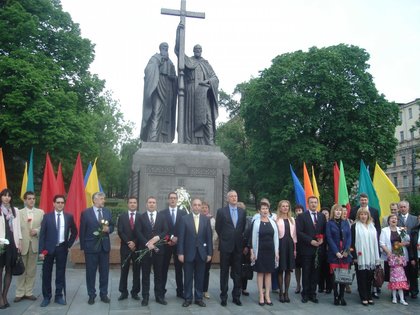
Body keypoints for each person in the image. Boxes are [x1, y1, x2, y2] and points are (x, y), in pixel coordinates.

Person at [176, 23, 219, 145]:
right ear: (193, 51)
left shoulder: (206, 64)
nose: (198, 51)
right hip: (191, 92)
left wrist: (208, 81)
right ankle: (188, 141)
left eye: (200, 50)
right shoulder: (189, 61)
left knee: (207, 117)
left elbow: (215, 78)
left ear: (202, 51)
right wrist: (179, 34)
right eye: (196, 50)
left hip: (203, 93)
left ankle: (209, 142)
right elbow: (178, 51)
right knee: (190, 117)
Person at [38, 195, 77, 307]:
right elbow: (42, 235)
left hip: (62, 249)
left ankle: (58, 296)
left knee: (60, 273)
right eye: (58, 202)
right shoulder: (47, 217)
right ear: (54, 204)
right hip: (48, 250)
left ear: (64, 204)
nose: (60, 204)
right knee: (46, 274)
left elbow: (74, 232)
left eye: (62, 202)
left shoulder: (69, 217)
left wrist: (68, 245)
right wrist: (41, 251)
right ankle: (46, 297)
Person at [79, 192, 114, 305]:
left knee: (104, 272)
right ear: (95, 200)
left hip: (104, 247)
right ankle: (91, 295)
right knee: (91, 273)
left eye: (104, 199)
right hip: (90, 248)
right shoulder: (86, 213)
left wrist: (108, 229)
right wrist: (83, 247)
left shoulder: (107, 212)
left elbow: (112, 226)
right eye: (102, 199)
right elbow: (82, 231)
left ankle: (103, 294)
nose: (104, 201)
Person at [178, 198, 213, 307]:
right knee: (188, 277)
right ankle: (188, 298)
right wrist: (180, 253)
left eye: (199, 205)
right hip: (188, 253)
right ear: (191, 206)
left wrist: (209, 253)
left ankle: (198, 298)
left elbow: (209, 238)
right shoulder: (184, 219)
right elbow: (181, 237)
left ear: (201, 206)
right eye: (195, 205)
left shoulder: (206, 220)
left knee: (200, 277)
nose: (197, 207)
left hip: (202, 254)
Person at [140, 42, 177, 143]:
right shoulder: (155, 58)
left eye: (167, 47)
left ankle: (164, 140)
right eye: (164, 47)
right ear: (160, 48)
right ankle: (152, 139)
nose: (165, 49)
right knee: (156, 112)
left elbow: (174, 76)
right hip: (157, 87)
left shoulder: (170, 62)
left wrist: (173, 78)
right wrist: (160, 61)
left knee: (166, 116)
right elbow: (148, 70)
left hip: (168, 90)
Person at [215, 190, 246, 306]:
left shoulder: (242, 212)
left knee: (237, 272)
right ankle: (223, 296)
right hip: (225, 246)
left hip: (238, 247)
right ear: (227, 199)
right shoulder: (221, 212)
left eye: (235, 196)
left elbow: (242, 228)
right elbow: (218, 228)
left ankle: (236, 296)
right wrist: (226, 238)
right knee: (224, 272)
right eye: (231, 196)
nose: (234, 198)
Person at [138, 196, 168, 306]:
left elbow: (165, 230)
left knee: (159, 274)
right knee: (145, 274)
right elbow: (138, 232)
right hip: (145, 250)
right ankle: (145, 297)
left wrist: (158, 238)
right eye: (149, 202)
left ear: (156, 204)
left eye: (153, 202)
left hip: (159, 250)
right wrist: (147, 243)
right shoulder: (141, 217)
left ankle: (159, 296)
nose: (151, 204)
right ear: (146, 204)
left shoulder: (162, 217)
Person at [15, 191, 44, 302]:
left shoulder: (41, 212)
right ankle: (19, 292)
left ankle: (29, 292)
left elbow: (44, 226)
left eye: (33, 198)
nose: (32, 200)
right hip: (22, 245)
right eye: (29, 198)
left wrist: (36, 231)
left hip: (34, 244)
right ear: (25, 200)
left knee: (32, 270)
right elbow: (16, 228)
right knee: (21, 269)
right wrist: (18, 243)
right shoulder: (18, 212)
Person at [296, 196, 326, 304]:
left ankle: (313, 294)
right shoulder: (302, 216)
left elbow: (324, 230)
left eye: (315, 202)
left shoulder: (322, 216)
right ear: (308, 204)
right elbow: (299, 232)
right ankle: (305, 294)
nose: (313, 204)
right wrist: (310, 241)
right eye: (311, 202)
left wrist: (322, 238)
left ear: (317, 204)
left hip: (318, 249)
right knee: (306, 272)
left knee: (315, 273)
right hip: (306, 249)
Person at [250, 201, 279, 306]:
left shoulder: (273, 222)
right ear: (259, 211)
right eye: (263, 209)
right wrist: (252, 252)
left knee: (268, 273)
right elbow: (251, 238)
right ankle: (261, 295)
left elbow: (276, 238)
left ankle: (267, 295)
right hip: (260, 251)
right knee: (260, 273)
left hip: (270, 251)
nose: (265, 211)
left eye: (266, 209)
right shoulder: (256, 222)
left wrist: (277, 252)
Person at [351, 207, 380, 306]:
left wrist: (377, 256)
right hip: (360, 256)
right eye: (361, 214)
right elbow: (352, 242)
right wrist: (354, 256)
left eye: (365, 214)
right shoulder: (355, 226)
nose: (363, 216)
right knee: (361, 277)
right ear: (358, 215)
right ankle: (363, 297)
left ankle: (369, 296)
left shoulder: (372, 226)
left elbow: (375, 242)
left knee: (370, 277)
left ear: (368, 215)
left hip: (371, 256)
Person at [161, 192, 187, 299]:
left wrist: (178, 239)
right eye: (171, 198)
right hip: (166, 244)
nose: (172, 200)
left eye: (174, 198)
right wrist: (170, 238)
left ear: (177, 200)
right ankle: (161, 291)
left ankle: (180, 291)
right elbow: (161, 230)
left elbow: (185, 229)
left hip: (179, 245)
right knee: (164, 269)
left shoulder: (183, 213)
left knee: (179, 269)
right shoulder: (162, 213)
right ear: (168, 200)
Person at [326, 204, 352, 306]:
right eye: (336, 210)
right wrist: (336, 252)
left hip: (345, 252)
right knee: (334, 277)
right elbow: (329, 238)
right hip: (334, 253)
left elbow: (349, 237)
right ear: (333, 212)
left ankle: (342, 296)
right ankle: (335, 295)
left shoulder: (346, 222)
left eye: (340, 211)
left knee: (343, 276)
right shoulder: (329, 223)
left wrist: (346, 250)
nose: (338, 212)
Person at [0, 188, 22, 309]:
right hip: (1, 243)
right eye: (4, 195)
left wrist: (20, 241)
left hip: (12, 243)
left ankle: (4, 296)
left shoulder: (15, 210)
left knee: (9, 271)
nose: (6, 198)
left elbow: (18, 227)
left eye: (9, 196)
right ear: (1, 197)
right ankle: (0, 299)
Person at [117, 197, 141, 301]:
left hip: (137, 247)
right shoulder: (122, 217)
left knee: (136, 271)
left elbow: (142, 231)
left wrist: (134, 242)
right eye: (130, 202)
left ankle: (135, 292)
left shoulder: (141, 217)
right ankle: (123, 292)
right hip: (125, 247)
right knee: (124, 270)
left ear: (137, 204)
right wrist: (128, 242)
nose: (132, 204)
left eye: (134, 202)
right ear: (128, 204)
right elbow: (120, 231)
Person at [276, 200, 297, 303]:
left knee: (288, 270)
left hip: (289, 245)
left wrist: (295, 249)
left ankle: (286, 293)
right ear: (280, 208)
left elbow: (295, 236)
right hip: (280, 244)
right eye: (283, 206)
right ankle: (280, 292)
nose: (285, 208)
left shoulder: (292, 219)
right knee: (280, 269)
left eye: (287, 206)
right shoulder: (276, 219)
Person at [397, 200, 418, 298]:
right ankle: (404, 290)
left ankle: (414, 291)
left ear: (408, 207)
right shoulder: (396, 219)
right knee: (403, 271)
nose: (403, 208)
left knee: (413, 271)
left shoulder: (415, 219)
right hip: (401, 249)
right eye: (401, 207)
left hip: (413, 249)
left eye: (404, 207)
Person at [202, 201, 217, 299]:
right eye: (202, 207)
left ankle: (205, 290)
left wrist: (210, 241)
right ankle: (198, 288)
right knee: (198, 270)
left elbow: (216, 233)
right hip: (198, 248)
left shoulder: (212, 220)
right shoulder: (197, 218)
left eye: (206, 207)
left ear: (208, 209)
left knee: (206, 270)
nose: (204, 209)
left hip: (209, 248)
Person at [238, 201, 251, 297]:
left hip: (246, 247)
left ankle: (244, 288)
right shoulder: (233, 219)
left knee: (245, 268)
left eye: (242, 208)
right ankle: (237, 287)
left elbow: (251, 234)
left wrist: (248, 246)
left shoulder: (248, 221)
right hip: (236, 247)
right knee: (237, 268)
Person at [319, 207, 333, 294]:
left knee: (329, 269)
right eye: (323, 213)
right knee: (320, 269)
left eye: (326, 213)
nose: (324, 215)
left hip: (330, 249)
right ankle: (321, 286)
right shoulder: (319, 223)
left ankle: (329, 287)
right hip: (321, 248)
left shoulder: (331, 223)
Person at [293, 204, 304, 294]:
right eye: (297, 211)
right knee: (297, 267)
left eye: (300, 210)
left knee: (305, 267)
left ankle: (304, 284)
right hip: (296, 246)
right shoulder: (293, 221)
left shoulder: (306, 220)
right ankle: (298, 284)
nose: (298, 212)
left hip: (305, 245)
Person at [408, 222, 419, 299]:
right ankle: (414, 291)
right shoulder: (414, 230)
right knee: (413, 275)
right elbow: (411, 245)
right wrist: (411, 258)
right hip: (416, 256)